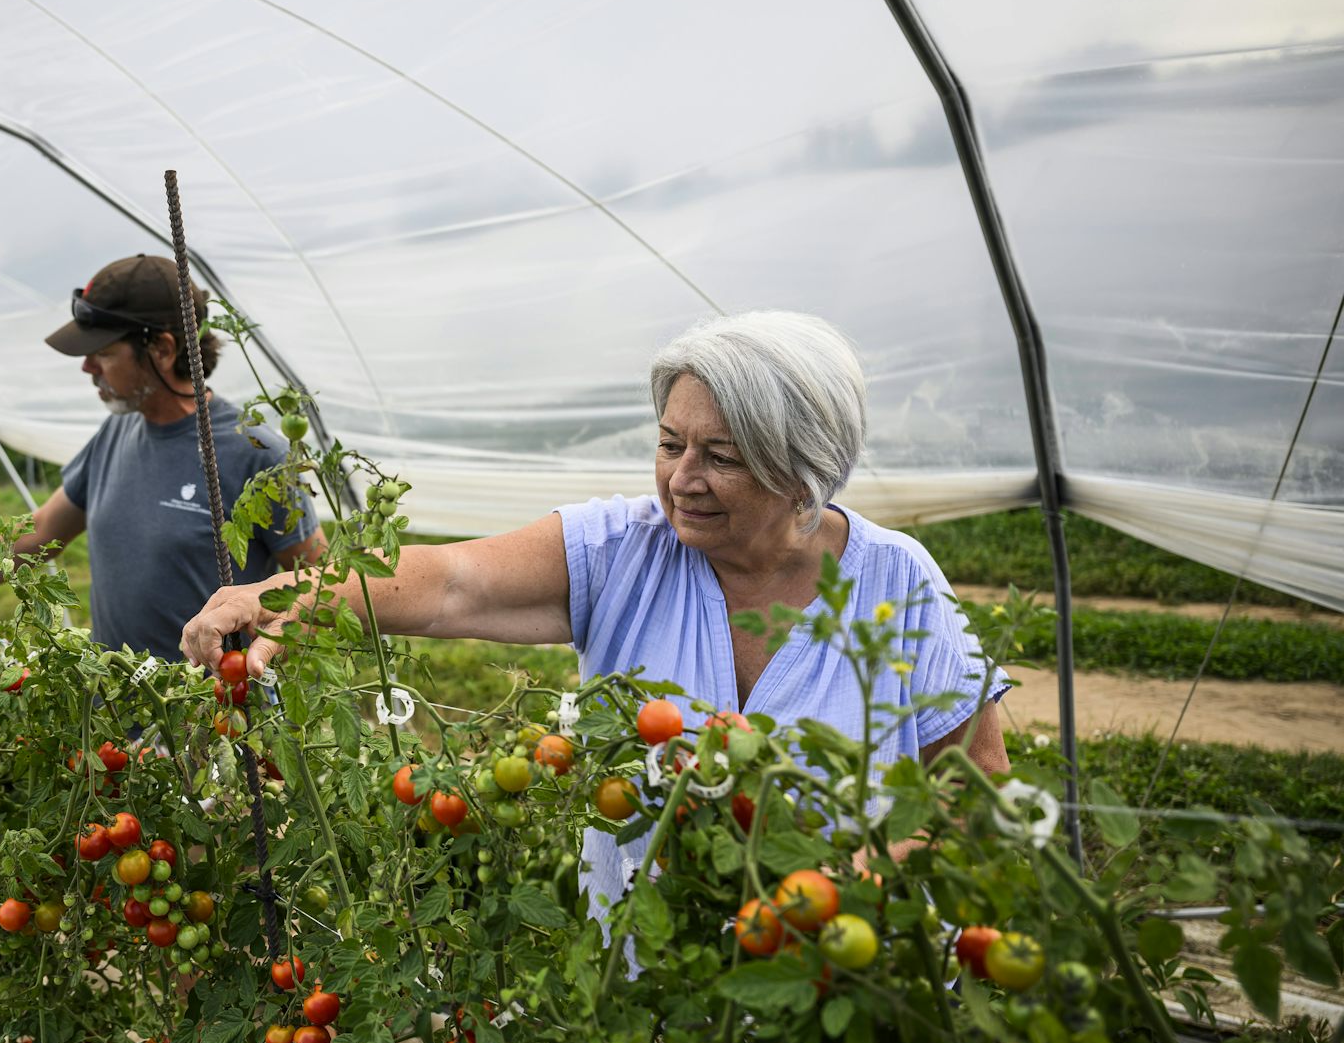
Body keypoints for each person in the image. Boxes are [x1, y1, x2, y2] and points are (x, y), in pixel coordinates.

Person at [180, 310, 1011, 908]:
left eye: (721, 456)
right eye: (670, 442)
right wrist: (288, 597)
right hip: (635, 1010)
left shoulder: (898, 582)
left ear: (805, 472)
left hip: (837, 998)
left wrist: (849, 893)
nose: (683, 478)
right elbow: (449, 580)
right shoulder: (624, 549)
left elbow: (972, 789)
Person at [0, 255, 325, 660]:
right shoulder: (118, 431)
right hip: (114, 721)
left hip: (211, 722)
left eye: (102, 352)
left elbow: (319, 587)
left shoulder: (255, 453)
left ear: (161, 348)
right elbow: (40, 533)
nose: (87, 367)